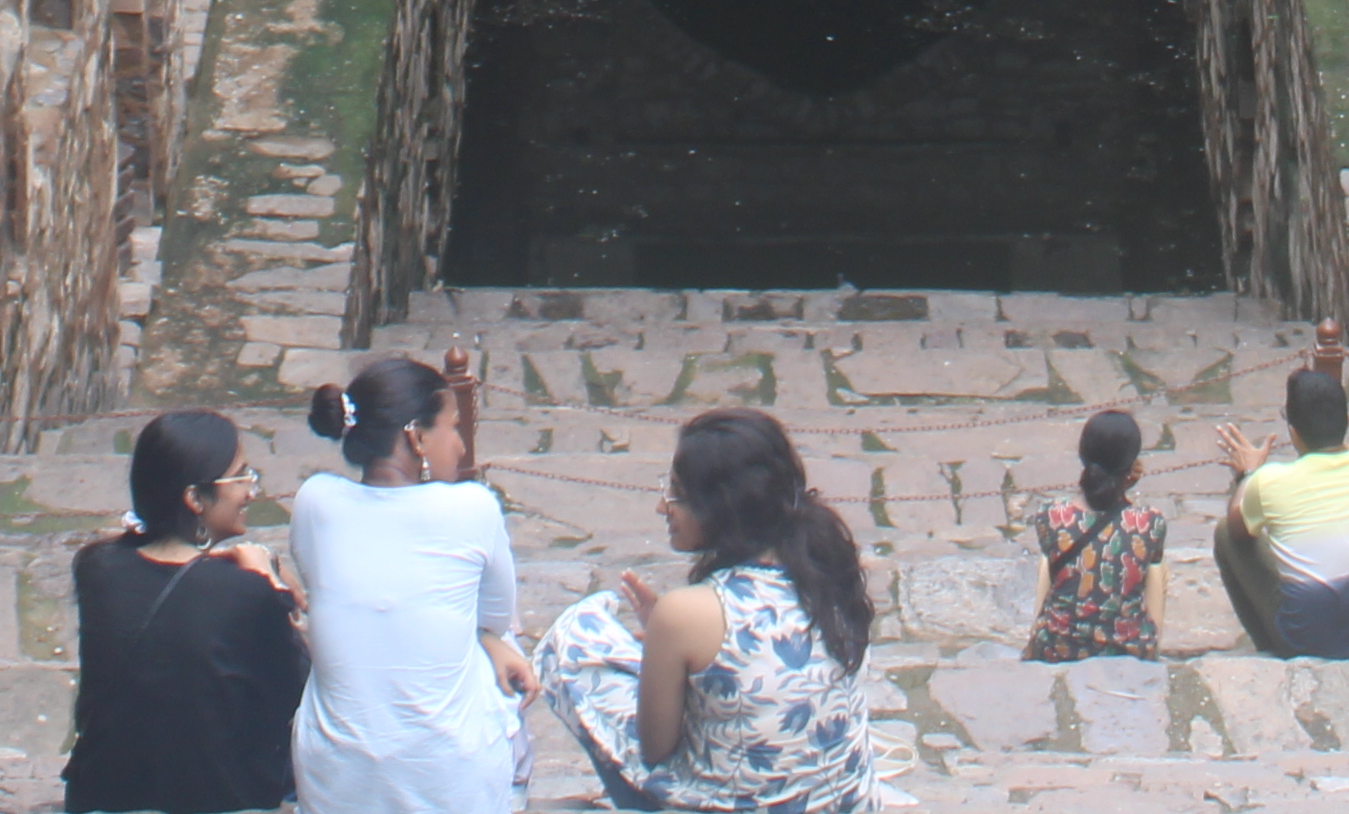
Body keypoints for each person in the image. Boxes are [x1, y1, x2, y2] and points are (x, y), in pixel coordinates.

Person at [538, 406, 874, 811]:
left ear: (720, 507)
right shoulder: (828, 563)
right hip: (845, 801)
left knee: (575, 642)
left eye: (677, 494)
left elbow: (656, 748)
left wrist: (664, 644)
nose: (664, 508)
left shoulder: (685, 614)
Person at [283, 347, 525, 814]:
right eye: (452, 427)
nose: (458, 444)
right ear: (416, 438)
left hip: (337, 782)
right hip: (449, 782)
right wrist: (493, 640)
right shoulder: (472, 506)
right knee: (503, 644)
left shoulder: (315, 501)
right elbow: (493, 617)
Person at [64, 407, 309, 813]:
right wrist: (273, 583)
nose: (251, 491)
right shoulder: (246, 593)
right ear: (195, 497)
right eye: (240, 478)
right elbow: (295, 690)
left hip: (100, 797)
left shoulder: (97, 569)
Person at [1212, 330, 1349, 659]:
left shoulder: (1268, 480)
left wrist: (1248, 474)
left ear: (1293, 432)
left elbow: (1238, 530)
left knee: (1225, 533)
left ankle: (1273, 647)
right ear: (1346, 421)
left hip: (1306, 641)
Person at [1023, 406, 1162, 663]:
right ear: (1131, 463)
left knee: (1048, 560)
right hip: (1128, 650)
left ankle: (1038, 631)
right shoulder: (1150, 521)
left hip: (1058, 649)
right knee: (1156, 567)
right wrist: (1124, 488)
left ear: (1082, 455)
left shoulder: (1050, 517)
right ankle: (1152, 649)